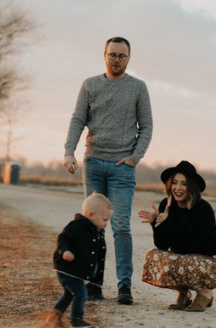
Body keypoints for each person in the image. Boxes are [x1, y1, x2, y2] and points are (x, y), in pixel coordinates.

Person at [63, 36, 153, 305]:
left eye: (122, 56)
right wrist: (69, 151)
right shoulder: (90, 85)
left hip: (121, 168)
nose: (117, 59)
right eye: (112, 54)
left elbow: (146, 126)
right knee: (92, 226)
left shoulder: (138, 88)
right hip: (93, 163)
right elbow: (78, 119)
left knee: (121, 227)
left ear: (129, 58)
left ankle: (125, 287)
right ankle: (93, 283)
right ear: (104, 55)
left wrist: (135, 157)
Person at [138, 160, 216, 312]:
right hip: (188, 258)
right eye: (174, 182)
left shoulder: (203, 209)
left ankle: (205, 292)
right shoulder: (166, 205)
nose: (178, 188)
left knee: (178, 261)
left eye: (184, 184)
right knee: (153, 256)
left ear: (192, 186)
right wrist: (155, 222)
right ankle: (184, 293)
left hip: (213, 262)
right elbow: (162, 245)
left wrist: (166, 223)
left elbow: (184, 247)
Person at [47, 192, 113, 328]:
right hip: (67, 269)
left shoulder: (95, 232)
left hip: (75, 271)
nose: (106, 224)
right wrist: (64, 251)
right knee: (81, 292)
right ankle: (77, 320)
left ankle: (53, 317)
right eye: (105, 220)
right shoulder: (76, 226)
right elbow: (63, 238)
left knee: (69, 294)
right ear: (90, 215)